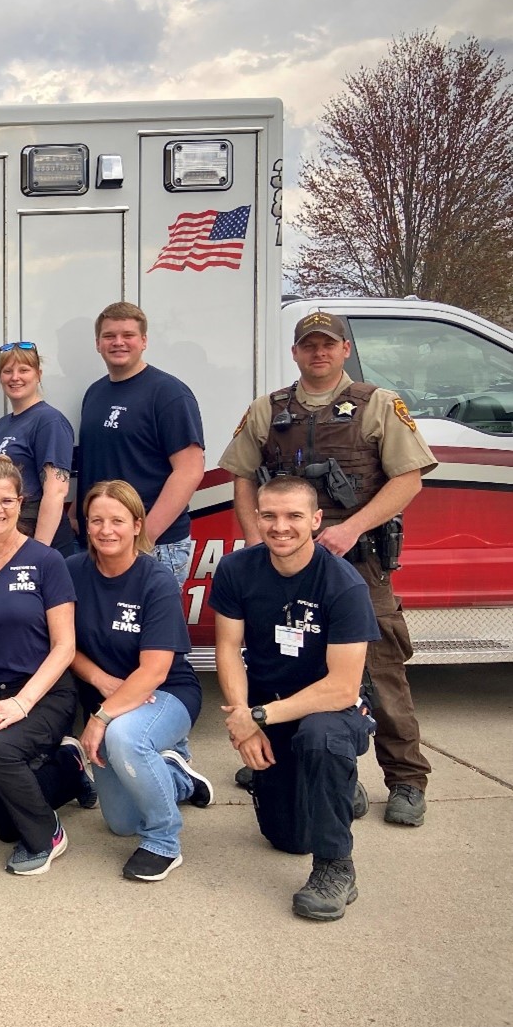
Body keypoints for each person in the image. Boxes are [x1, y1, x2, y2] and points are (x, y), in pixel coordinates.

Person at [220, 310, 437, 826]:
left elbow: (409, 480)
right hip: (284, 564)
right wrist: (257, 543)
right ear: (295, 353)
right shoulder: (267, 410)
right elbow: (244, 477)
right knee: (282, 663)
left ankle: (406, 778)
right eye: (308, 345)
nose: (318, 352)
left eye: (329, 344)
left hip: (357, 563)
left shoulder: (378, 405)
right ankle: (297, 760)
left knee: (380, 670)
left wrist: (351, 528)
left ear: (344, 350)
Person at [211, 476, 379, 921]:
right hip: (270, 706)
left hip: (329, 709)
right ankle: (337, 788)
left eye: (293, 516)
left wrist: (257, 717)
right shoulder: (236, 570)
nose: (279, 526)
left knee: (321, 740)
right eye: (269, 515)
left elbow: (342, 687)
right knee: (287, 838)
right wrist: (244, 718)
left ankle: (336, 868)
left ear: (316, 521)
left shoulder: (343, 585)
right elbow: (227, 648)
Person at [0, 458, 92, 875]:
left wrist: (22, 704)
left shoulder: (46, 561)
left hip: (42, 692)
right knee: (5, 827)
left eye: (6, 500)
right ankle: (69, 767)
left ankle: (48, 835)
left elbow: (65, 647)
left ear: (20, 502)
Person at [67, 480, 212, 882]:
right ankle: (176, 776)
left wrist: (99, 718)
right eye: (96, 520)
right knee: (120, 822)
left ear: (137, 525)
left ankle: (163, 842)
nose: (105, 530)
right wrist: (100, 680)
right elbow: (63, 644)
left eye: (116, 520)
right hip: (112, 695)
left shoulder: (156, 580)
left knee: (123, 737)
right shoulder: (71, 571)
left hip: (166, 694)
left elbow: (154, 672)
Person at [76, 302, 205, 582]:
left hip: (156, 545)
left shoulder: (169, 393)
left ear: (144, 341)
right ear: (97, 343)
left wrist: (144, 537)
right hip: (104, 540)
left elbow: (190, 470)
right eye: (109, 336)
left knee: (154, 625)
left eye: (128, 335)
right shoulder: (94, 393)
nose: (118, 342)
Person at [0, 341, 77, 553]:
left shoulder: (49, 421)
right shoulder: (1, 425)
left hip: (39, 536)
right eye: (7, 371)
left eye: (24, 370)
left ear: (38, 374)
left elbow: (55, 492)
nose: (15, 377)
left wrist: (39, 552)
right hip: (9, 534)